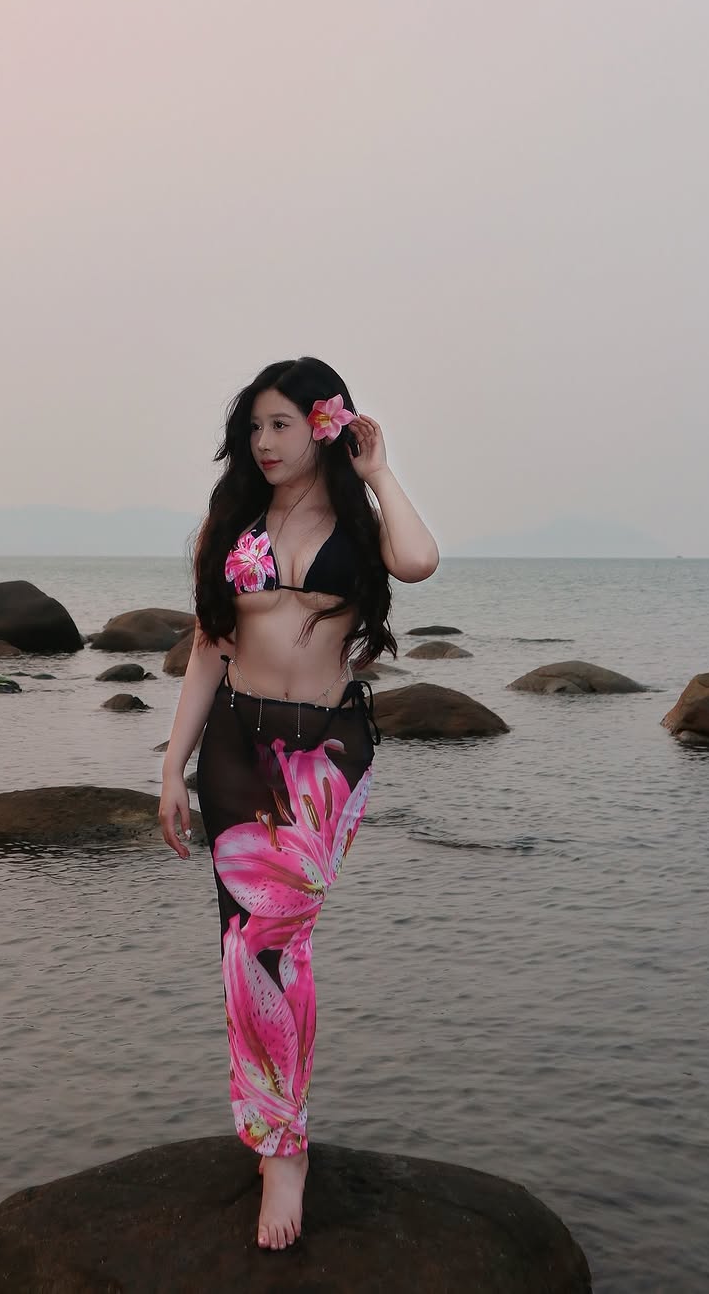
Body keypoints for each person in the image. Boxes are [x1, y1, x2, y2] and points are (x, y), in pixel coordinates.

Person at [159, 356, 438, 1251]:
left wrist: (378, 470)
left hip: (325, 754)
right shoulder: (232, 524)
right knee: (244, 948)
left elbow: (419, 561)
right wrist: (172, 767)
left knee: (277, 939)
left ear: (323, 425)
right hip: (234, 748)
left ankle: (283, 1142)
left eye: (281, 424)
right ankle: (277, 1137)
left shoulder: (358, 523)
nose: (264, 443)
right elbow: (208, 648)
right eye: (254, 427)